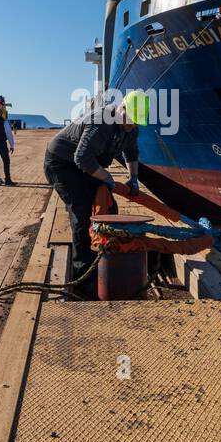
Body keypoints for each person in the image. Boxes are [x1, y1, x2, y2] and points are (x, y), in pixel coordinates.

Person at [43, 90, 148, 293]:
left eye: (136, 122)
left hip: (86, 164)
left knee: (109, 206)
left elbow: (131, 151)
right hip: (62, 163)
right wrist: (107, 178)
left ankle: (108, 257)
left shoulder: (131, 127)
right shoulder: (101, 122)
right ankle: (83, 275)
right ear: (121, 108)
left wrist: (134, 178)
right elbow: (81, 157)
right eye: (131, 120)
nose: (132, 125)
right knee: (81, 211)